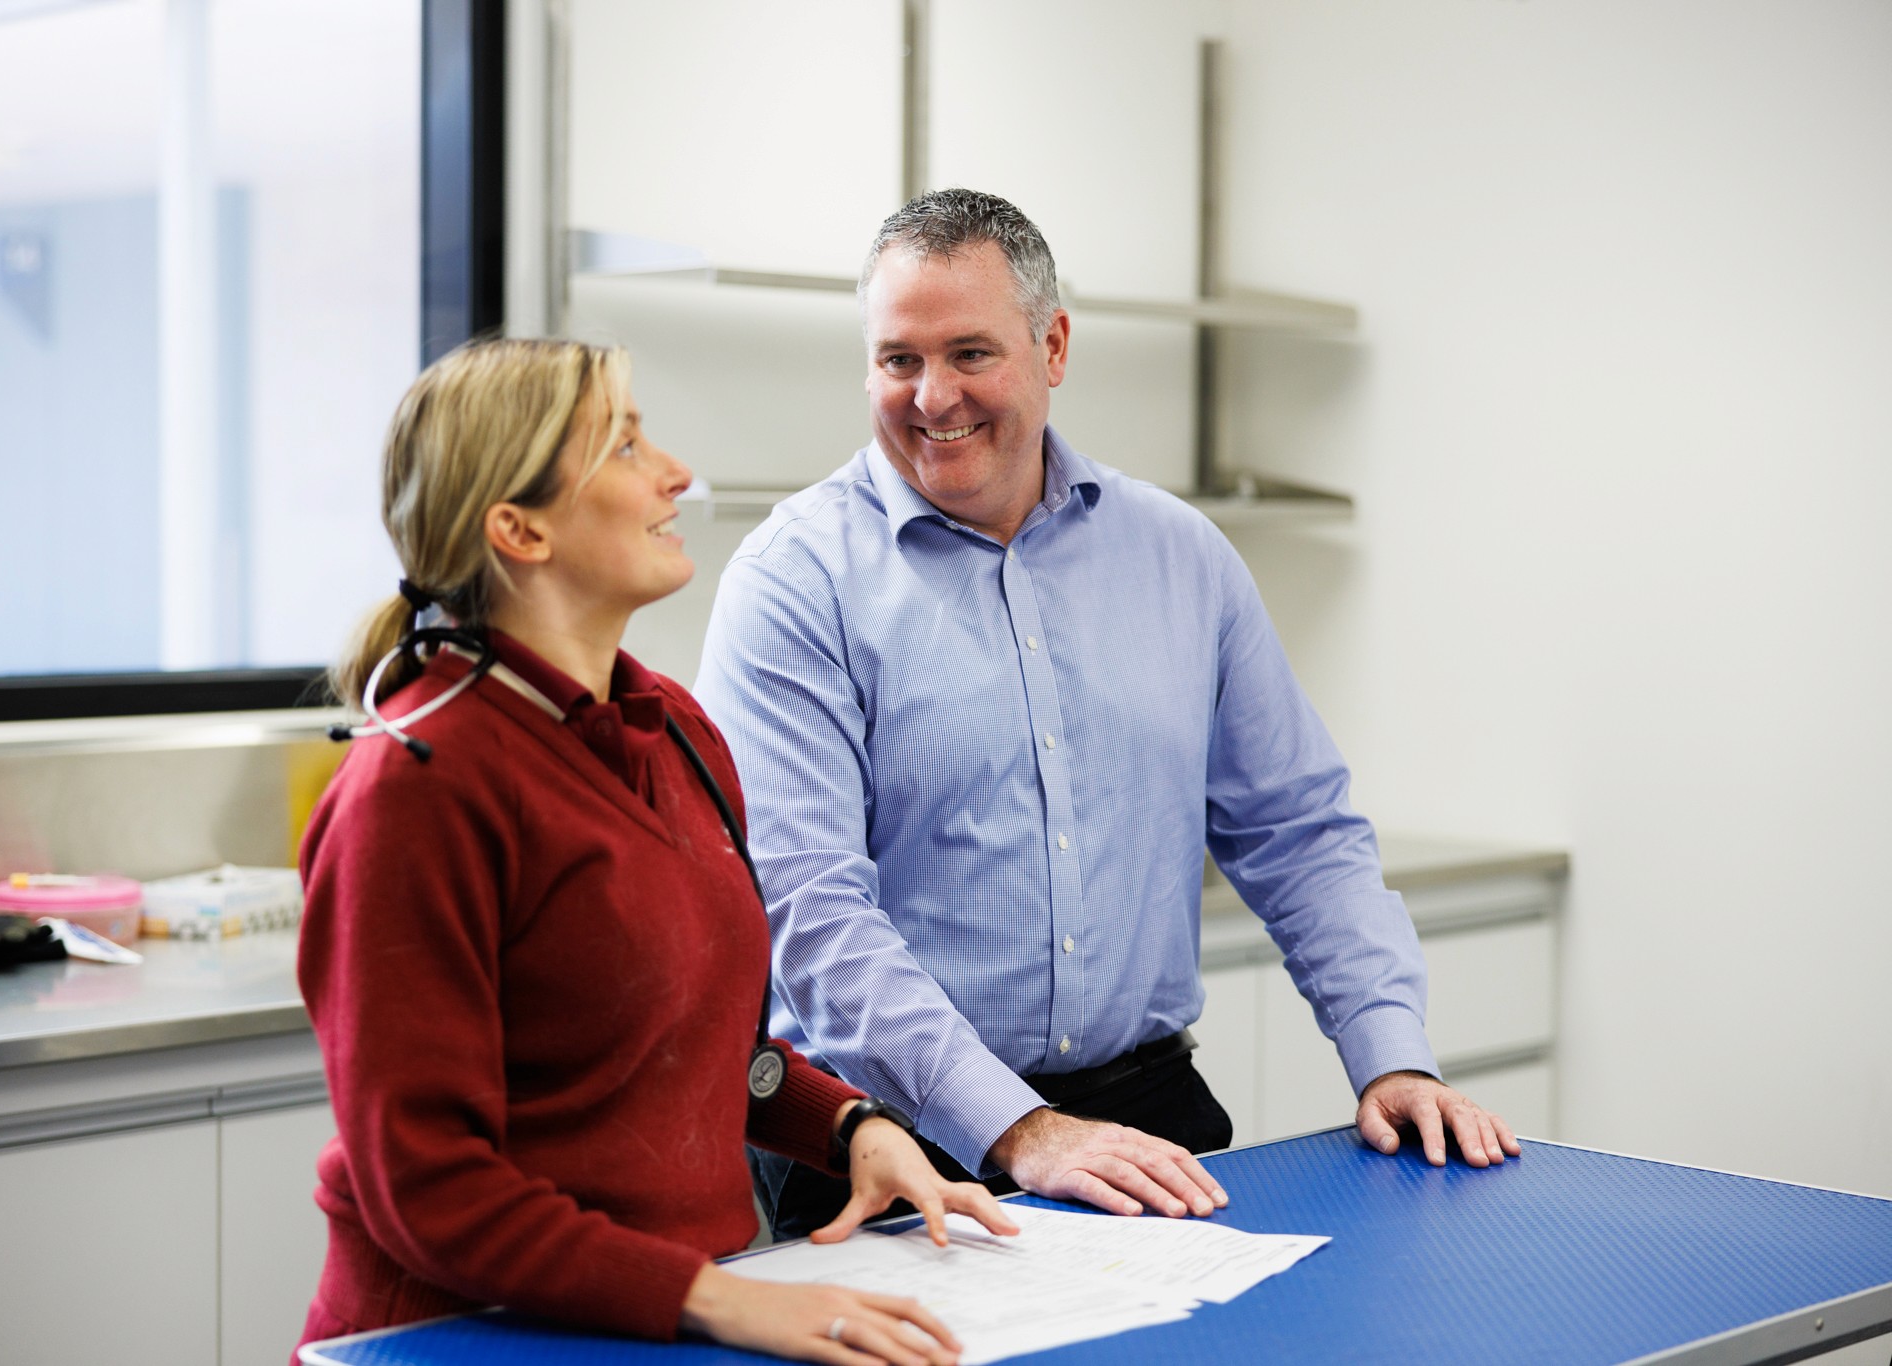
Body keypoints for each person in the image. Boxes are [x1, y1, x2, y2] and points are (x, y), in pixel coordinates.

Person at [694, 189, 1522, 1242]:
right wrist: (1020, 1129)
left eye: (968, 353)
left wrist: (1390, 1051)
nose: (931, 394)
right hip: (885, 1144)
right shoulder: (791, 582)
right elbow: (812, 914)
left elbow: (1297, 834)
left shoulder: (1180, 558)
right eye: (897, 359)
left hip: (1144, 1117)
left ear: (1053, 345)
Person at [293, 337, 1016, 1366]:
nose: (675, 472)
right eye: (624, 444)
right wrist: (715, 1298)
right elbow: (429, 1184)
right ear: (519, 528)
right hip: (465, 1335)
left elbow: (691, 1048)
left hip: (661, 1318)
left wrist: (852, 1127)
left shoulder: (673, 727)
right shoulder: (415, 788)